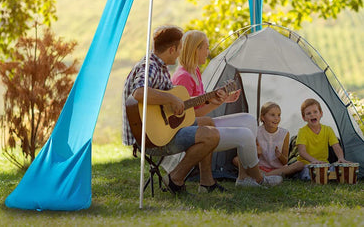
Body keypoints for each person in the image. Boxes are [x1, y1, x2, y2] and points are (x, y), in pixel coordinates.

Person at [171, 30, 283, 188]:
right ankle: (259, 179)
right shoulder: (183, 77)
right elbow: (188, 116)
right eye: (206, 48)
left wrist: (223, 99)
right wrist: (216, 104)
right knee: (244, 135)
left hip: (201, 124)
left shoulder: (195, 71)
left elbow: (199, 105)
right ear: (196, 49)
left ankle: (243, 178)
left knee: (249, 120)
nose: (208, 52)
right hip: (191, 131)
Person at [122, 25, 221, 195]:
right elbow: (139, 92)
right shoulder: (150, 67)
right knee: (212, 135)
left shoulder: (161, 68)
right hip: (152, 138)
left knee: (208, 122)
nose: (179, 54)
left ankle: (206, 182)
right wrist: (171, 98)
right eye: (179, 50)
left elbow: (178, 103)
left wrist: (209, 100)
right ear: (171, 49)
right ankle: (175, 178)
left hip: (162, 129)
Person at [296, 98, 350, 179]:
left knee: (337, 170)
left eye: (315, 112)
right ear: (304, 118)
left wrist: (341, 158)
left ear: (321, 114)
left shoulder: (328, 130)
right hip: (307, 164)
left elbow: (336, 146)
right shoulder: (302, 131)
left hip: (324, 164)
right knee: (307, 172)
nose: (312, 115)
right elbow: (302, 152)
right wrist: (314, 161)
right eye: (308, 113)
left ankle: (325, 175)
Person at [256, 102, 304, 177]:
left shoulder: (284, 133)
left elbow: (285, 162)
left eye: (279, 115)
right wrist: (257, 153)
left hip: (278, 169)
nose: (276, 118)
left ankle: (265, 176)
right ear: (262, 117)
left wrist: (279, 156)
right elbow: (253, 160)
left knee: (300, 164)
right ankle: (267, 175)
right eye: (272, 115)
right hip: (260, 168)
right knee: (236, 160)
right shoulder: (256, 132)